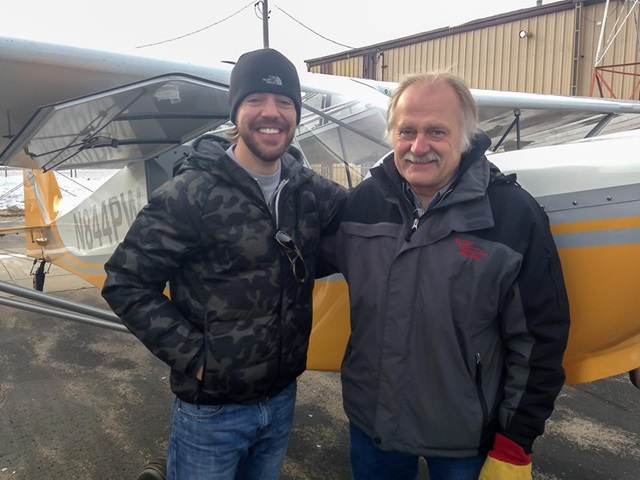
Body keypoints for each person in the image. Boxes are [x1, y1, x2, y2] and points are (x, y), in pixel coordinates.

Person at [101, 48, 346, 480]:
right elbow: (125, 282)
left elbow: (374, 211)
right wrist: (197, 359)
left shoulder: (311, 192)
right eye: (255, 100)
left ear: (295, 112)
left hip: (281, 400)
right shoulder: (189, 194)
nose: (271, 112)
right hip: (211, 413)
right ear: (236, 111)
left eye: (284, 102)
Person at [322, 72, 570, 480]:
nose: (419, 147)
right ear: (392, 136)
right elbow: (288, 263)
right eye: (407, 131)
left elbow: (540, 339)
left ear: (466, 136)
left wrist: (515, 443)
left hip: (467, 441)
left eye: (436, 131)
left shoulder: (512, 216)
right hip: (373, 428)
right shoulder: (363, 204)